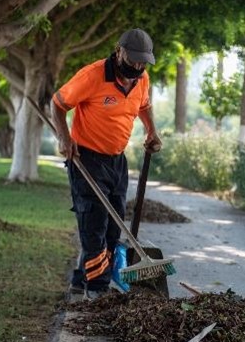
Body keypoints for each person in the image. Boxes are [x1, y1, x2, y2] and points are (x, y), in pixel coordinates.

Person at [50, 28, 162, 300]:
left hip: (117, 161)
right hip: (86, 159)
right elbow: (57, 104)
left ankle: (81, 278)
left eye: (142, 61)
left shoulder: (142, 79)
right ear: (118, 50)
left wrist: (151, 131)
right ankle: (97, 291)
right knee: (94, 223)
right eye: (133, 59)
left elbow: (144, 106)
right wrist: (65, 139)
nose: (137, 66)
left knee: (113, 227)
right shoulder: (93, 76)